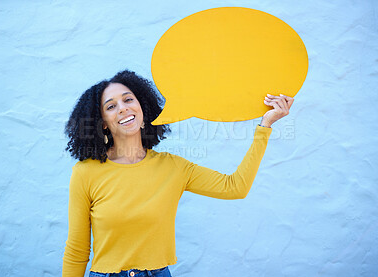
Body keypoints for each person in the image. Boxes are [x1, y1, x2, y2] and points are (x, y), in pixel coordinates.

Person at [62, 70, 294, 277]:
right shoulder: (86, 173)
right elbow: (77, 250)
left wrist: (265, 126)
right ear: (103, 123)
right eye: (111, 106)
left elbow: (235, 187)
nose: (123, 108)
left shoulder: (173, 168)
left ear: (143, 108)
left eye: (128, 99)